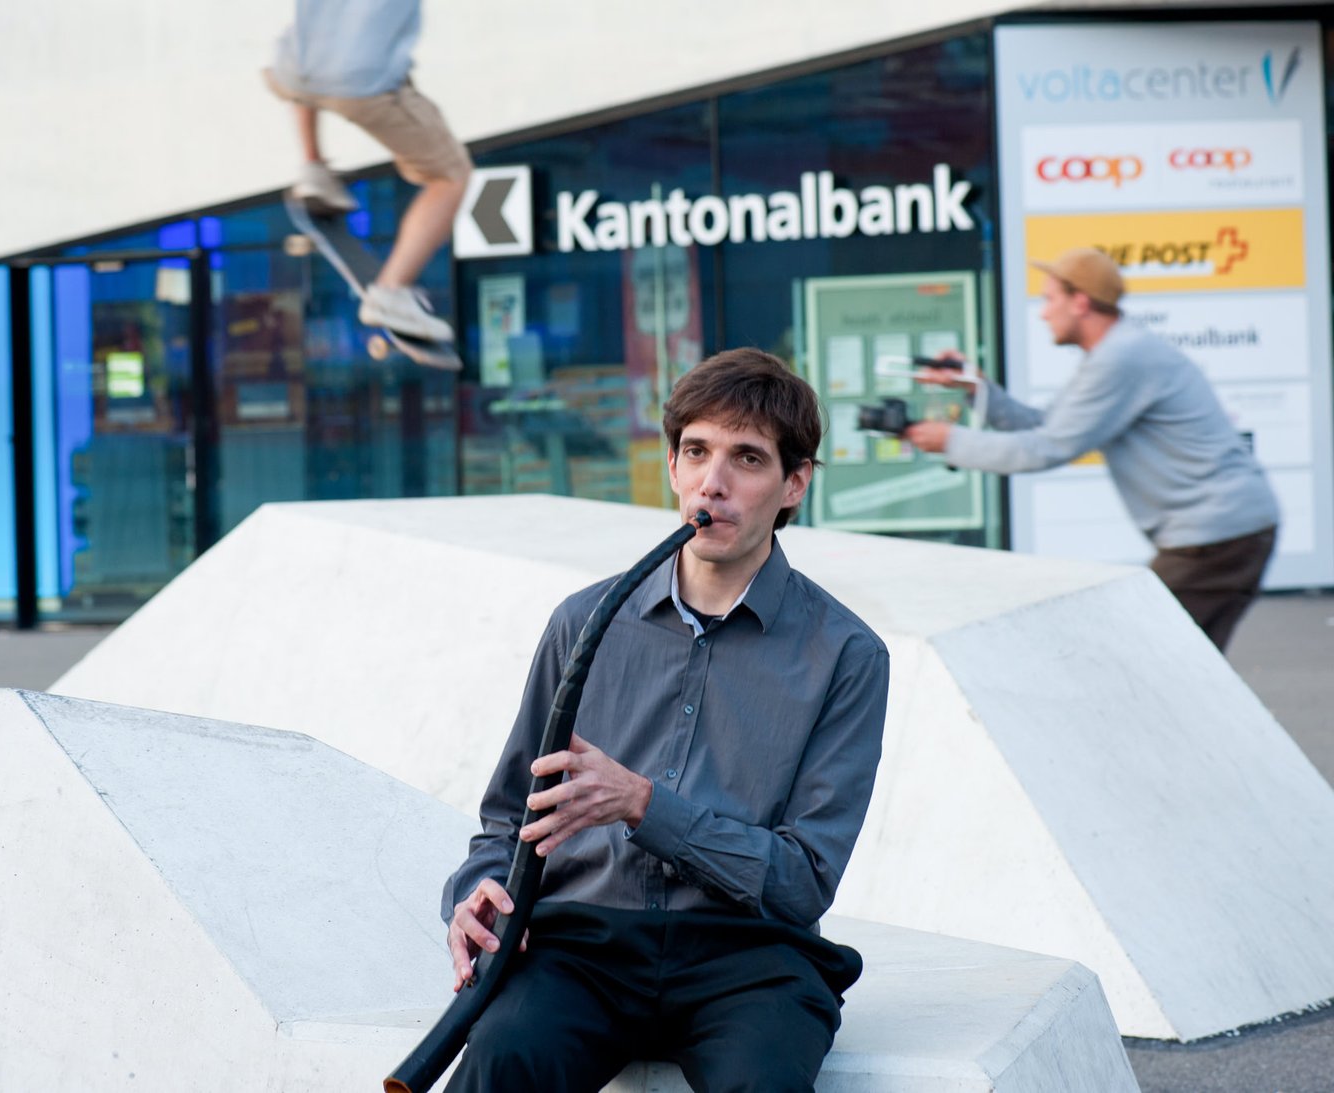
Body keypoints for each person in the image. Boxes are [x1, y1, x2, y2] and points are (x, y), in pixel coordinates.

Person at [440, 348, 890, 1092]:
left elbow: (803, 881)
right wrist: (479, 892)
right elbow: (508, 819)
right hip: (581, 950)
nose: (715, 482)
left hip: (749, 959)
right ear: (674, 468)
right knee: (499, 1061)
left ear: (795, 483)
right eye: (697, 452)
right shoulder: (583, 619)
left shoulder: (847, 654)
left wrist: (645, 805)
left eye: (747, 458)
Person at [903, 247, 1279, 652]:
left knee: (1146, 659)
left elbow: (1046, 448)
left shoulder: (1122, 358)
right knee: (1182, 666)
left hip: (1215, 536)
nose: (1043, 313)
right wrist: (977, 389)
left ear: (1080, 302)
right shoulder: (1116, 352)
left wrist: (950, 440)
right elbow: (1046, 427)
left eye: (1050, 299)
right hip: (1226, 531)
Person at [263, 0, 470, 345]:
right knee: (451, 175)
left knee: (306, 66)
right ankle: (391, 293)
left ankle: (312, 167)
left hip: (291, 68)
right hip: (361, 80)